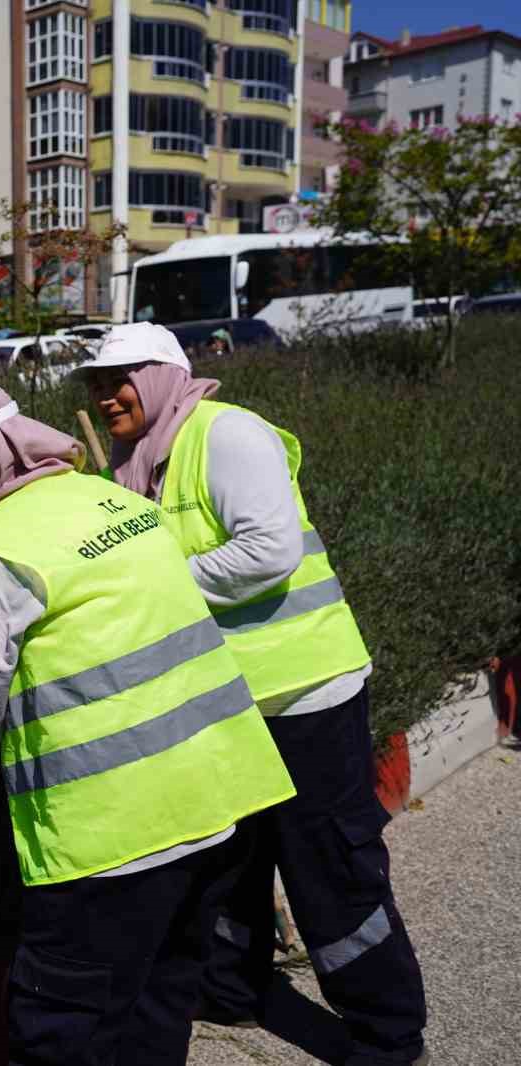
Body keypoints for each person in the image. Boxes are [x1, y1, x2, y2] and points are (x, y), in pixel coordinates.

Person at [0, 377, 295, 1066]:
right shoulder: (116, 500)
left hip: (109, 840)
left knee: (63, 1029)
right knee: (159, 1008)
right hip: (216, 807)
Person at [78, 323, 428, 1066]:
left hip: (305, 694)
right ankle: (232, 990)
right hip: (227, 700)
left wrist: (157, 584)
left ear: (165, 374)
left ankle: (387, 1033)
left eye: (120, 378)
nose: (106, 396)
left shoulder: (226, 435)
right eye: (95, 383)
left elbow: (268, 551)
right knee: (229, 861)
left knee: (330, 866)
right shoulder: (138, 463)